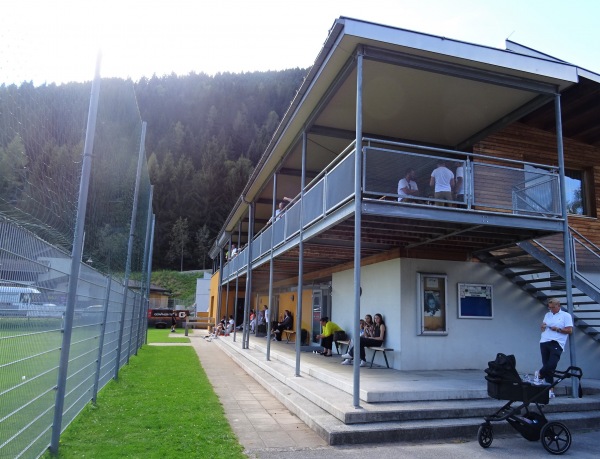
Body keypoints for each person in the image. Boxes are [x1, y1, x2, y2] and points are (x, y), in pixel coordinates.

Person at [534, 298, 573, 398]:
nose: (550, 309)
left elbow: (569, 330)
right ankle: (550, 390)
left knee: (552, 364)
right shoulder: (547, 315)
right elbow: (542, 329)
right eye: (549, 307)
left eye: (552, 307)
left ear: (558, 306)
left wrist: (558, 329)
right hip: (544, 341)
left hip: (557, 342)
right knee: (548, 366)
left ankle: (539, 374)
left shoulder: (566, 315)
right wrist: (542, 326)